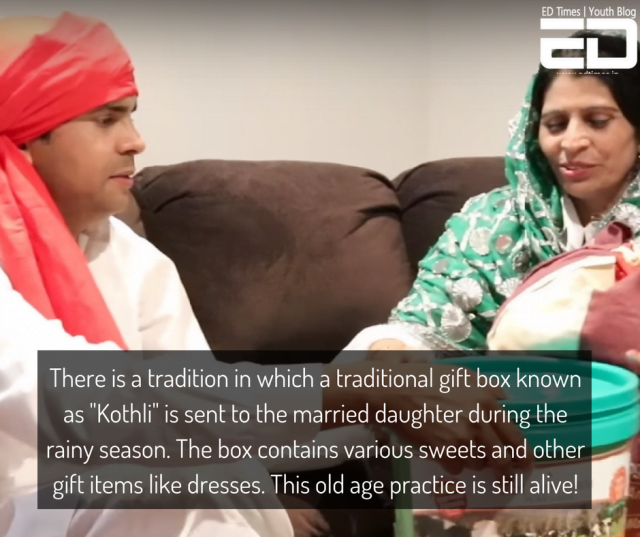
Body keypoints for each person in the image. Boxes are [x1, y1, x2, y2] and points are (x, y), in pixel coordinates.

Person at [0, 12, 523, 537]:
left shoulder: (131, 257)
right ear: (24, 135)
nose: (135, 141)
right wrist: (356, 390)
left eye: (131, 117)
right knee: (156, 492)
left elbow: (202, 413)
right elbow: (101, 404)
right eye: (106, 120)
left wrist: (373, 399)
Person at [343, 29, 640, 354]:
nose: (571, 142)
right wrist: (392, 347)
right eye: (555, 125)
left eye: (598, 121)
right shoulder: (491, 222)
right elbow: (421, 326)